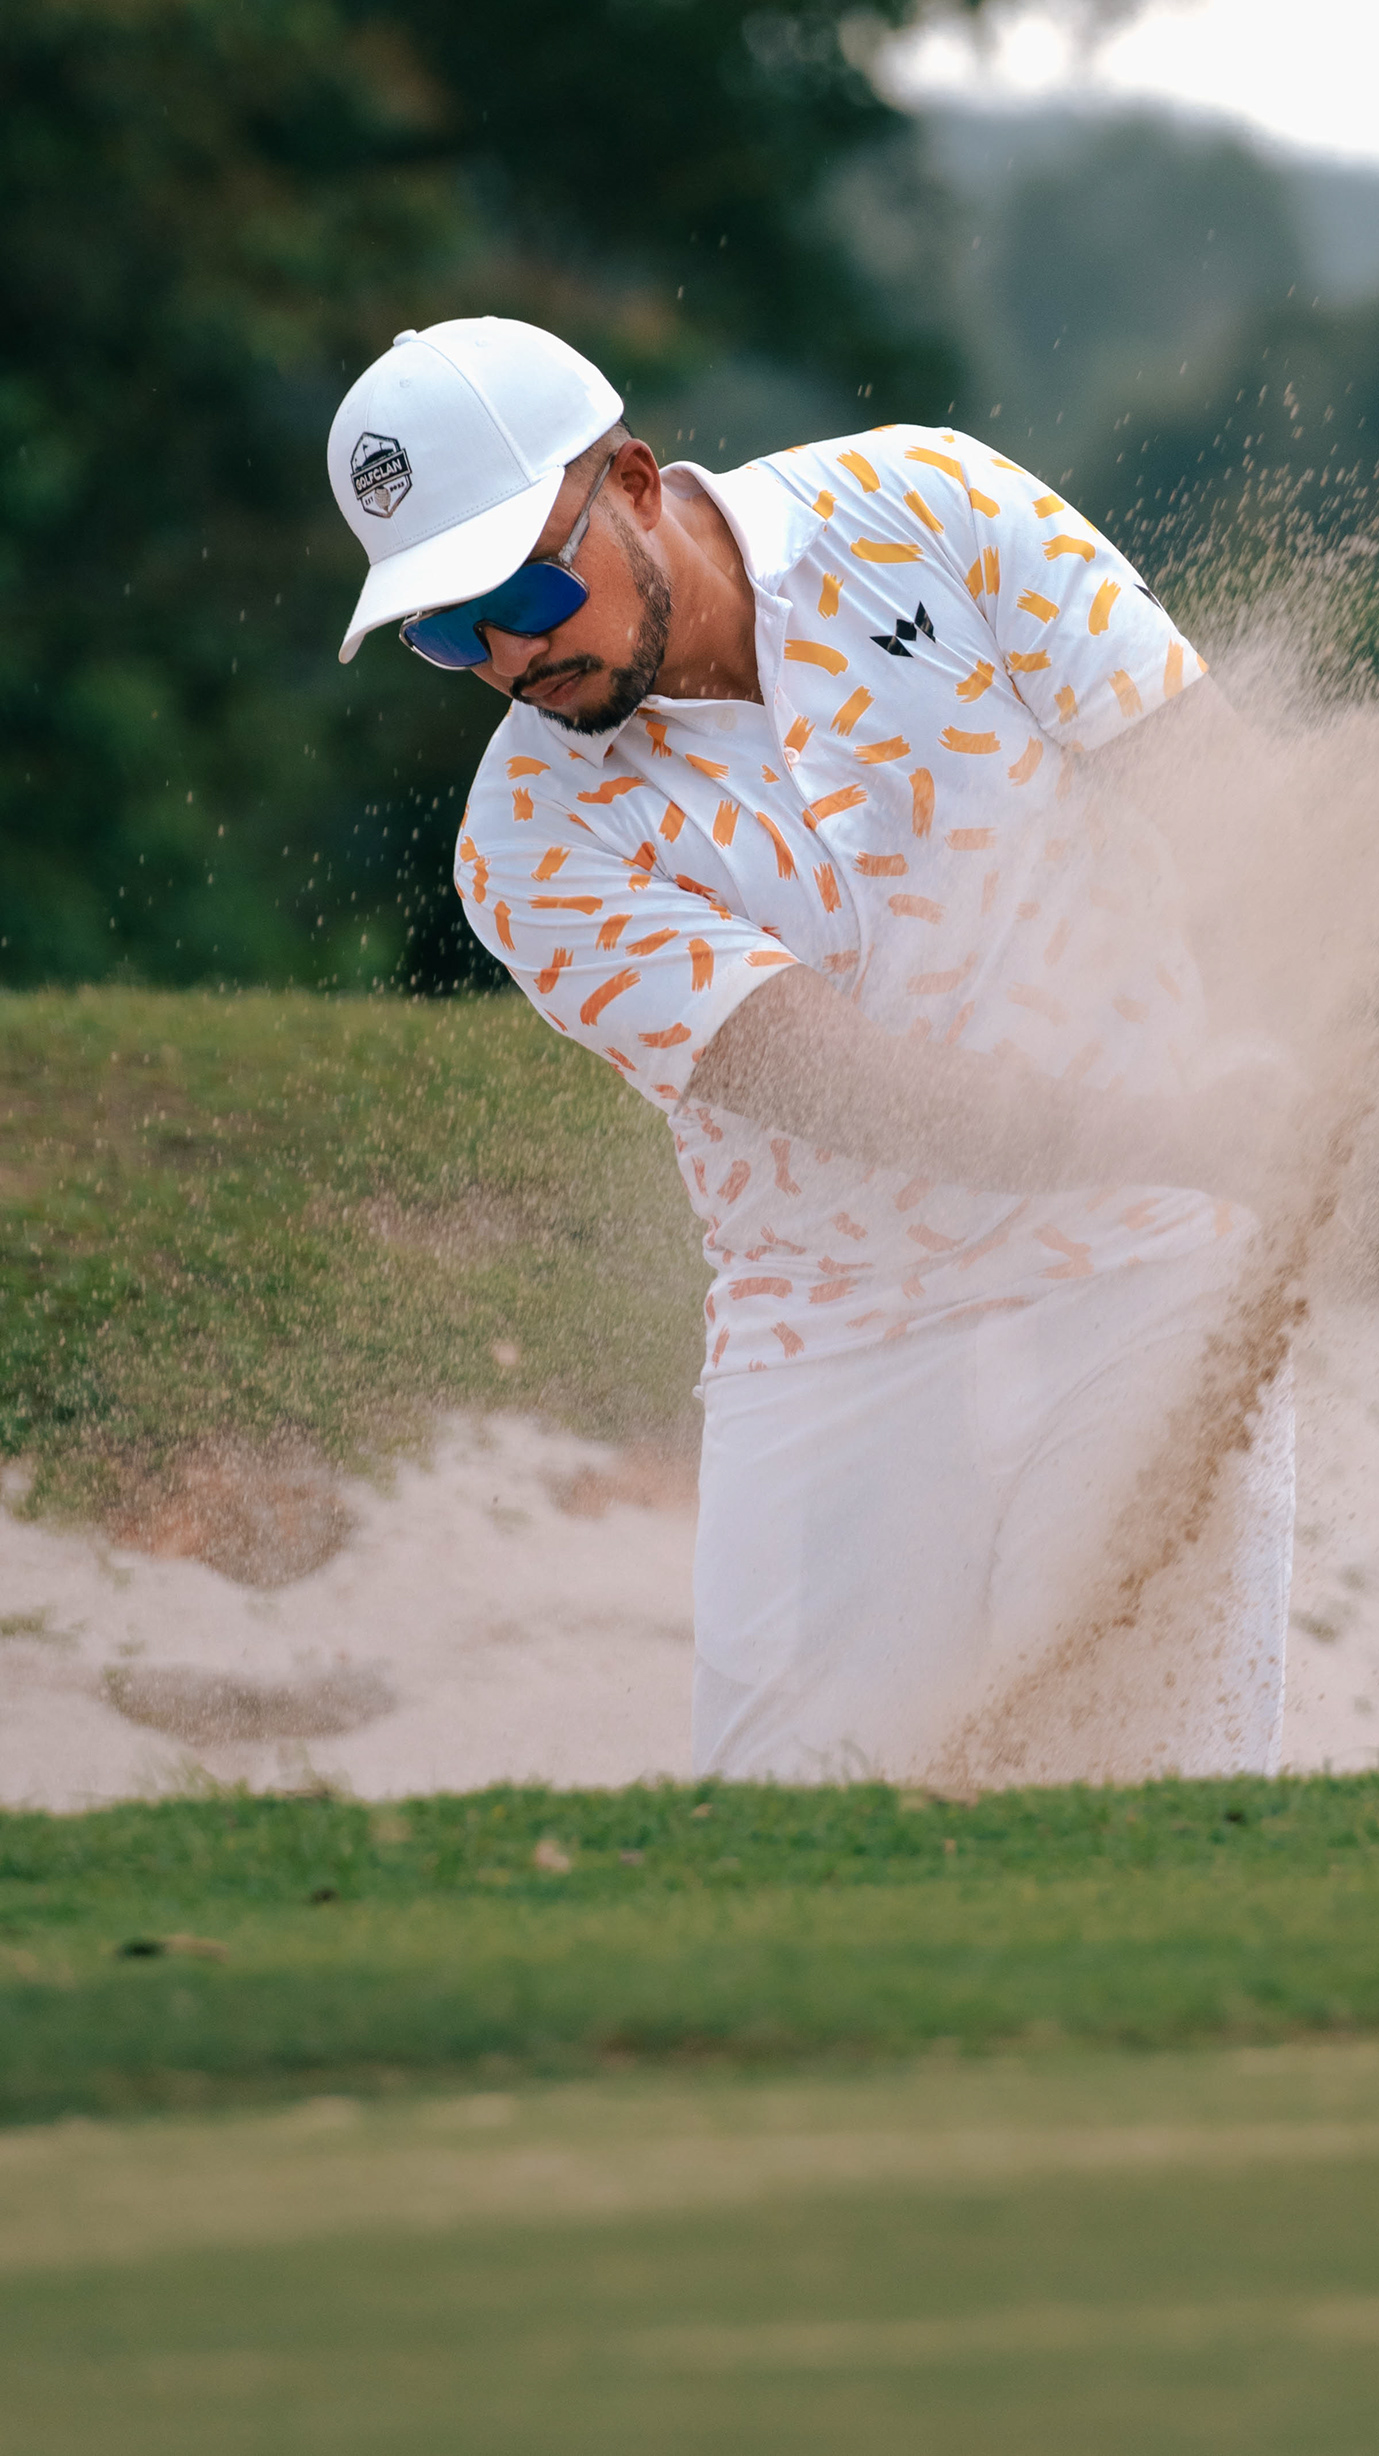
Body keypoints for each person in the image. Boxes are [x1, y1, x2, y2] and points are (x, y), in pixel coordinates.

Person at [328, 315, 1296, 1783]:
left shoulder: (935, 506)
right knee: (793, 1844)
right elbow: (845, 1087)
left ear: (634, 483)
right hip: (831, 1333)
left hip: (1150, 1276)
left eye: (526, 587)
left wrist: (1282, 1034)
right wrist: (1182, 1129)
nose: (511, 656)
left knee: (1162, 1806)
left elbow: (1209, 786)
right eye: (450, 632)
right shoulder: (523, 845)